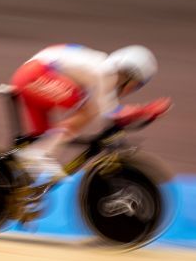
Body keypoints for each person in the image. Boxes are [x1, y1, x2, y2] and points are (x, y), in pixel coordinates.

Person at [10, 43, 171, 182]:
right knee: (89, 109)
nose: (132, 90)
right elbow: (109, 111)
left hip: (33, 73)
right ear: (129, 74)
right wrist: (144, 111)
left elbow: (109, 108)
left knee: (44, 141)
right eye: (136, 85)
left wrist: (136, 113)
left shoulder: (102, 66)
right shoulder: (105, 73)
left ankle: (21, 186)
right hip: (35, 75)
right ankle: (39, 154)